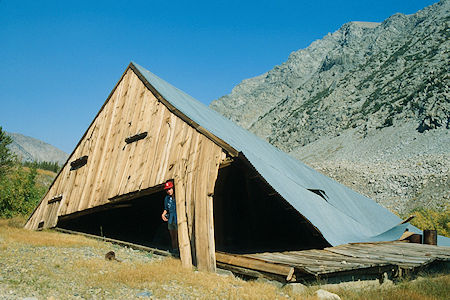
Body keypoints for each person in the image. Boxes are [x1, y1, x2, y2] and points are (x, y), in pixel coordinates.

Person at [161, 180, 178, 255]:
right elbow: (166, 209)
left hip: (178, 218)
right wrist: (163, 214)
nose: (168, 191)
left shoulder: (178, 197)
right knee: (173, 236)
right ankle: (175, 250)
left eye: (170, 189)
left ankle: (181, 251)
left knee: (179, 236)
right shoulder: (167, 198)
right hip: (170, 219)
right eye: (167, 189)